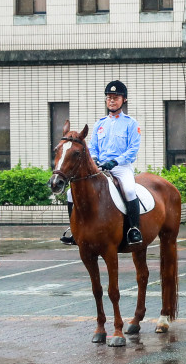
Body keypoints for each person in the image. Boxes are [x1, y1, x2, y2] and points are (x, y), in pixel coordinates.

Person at [61, 81, 143, 246]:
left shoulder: (131, 123)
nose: (112, 101)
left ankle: (134, 228)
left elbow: (132, 150)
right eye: (109, 98)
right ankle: (74, 229)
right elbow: (92, 147)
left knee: (128, 189)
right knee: (71, 193)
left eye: (116, 98)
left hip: (120, 167)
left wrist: (115, 161)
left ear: (124, 100)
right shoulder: (100, 123)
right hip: (99, 167)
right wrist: (96, 160)